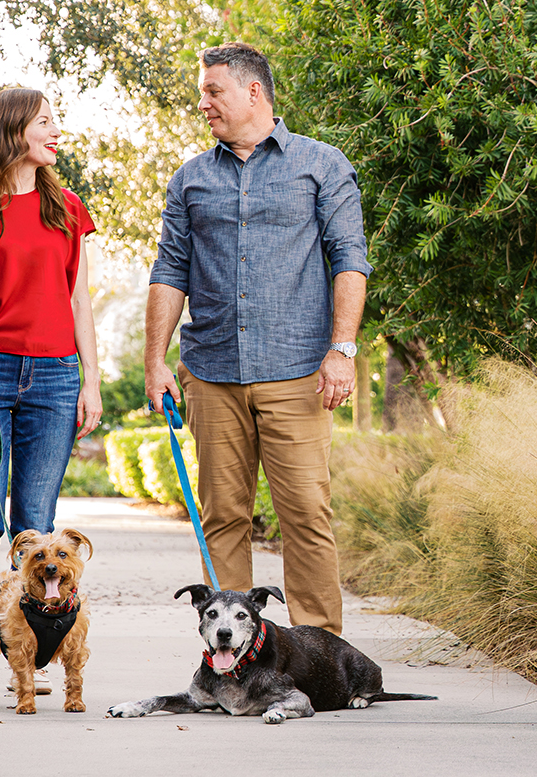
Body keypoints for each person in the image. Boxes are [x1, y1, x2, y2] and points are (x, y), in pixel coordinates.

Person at [145, 41, 369, 633]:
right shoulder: (190, 179)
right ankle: (232, 651)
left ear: (253, 92)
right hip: (212, 372)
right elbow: (170, 270)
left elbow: (349, 258)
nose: (204, 105)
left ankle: (319, 652)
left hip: (297, 372)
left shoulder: (320, 165)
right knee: (222, 517)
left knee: (305, 516)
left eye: (212, 92)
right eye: (202, 94)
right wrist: (156, 361)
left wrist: (342, 350)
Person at [0, 88, 103, 575]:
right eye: (45, 123)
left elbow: (78, 300)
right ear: (12, 130)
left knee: (36, 525)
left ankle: (22, 643)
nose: (57, 132)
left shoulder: (67, 207)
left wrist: (90, 381)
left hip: (55, 377)